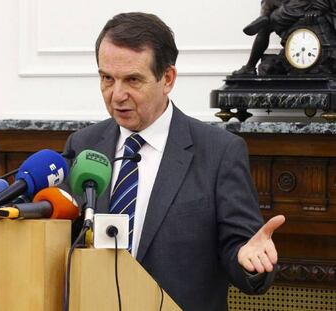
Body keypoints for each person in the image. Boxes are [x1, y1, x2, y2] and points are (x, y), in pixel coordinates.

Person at [64, 12, 285, 310]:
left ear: (167, 78)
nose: (116, 95)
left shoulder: (219, 152)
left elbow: (241, 249)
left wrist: (250, 260)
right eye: (107, 78)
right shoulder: (84, 146)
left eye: (132, 80)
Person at [233, 0, 311, 75]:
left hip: (300, 8)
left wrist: (317, 10)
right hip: (297, 5)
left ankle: (249, 67)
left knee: (265, 29)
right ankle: (264, 17)